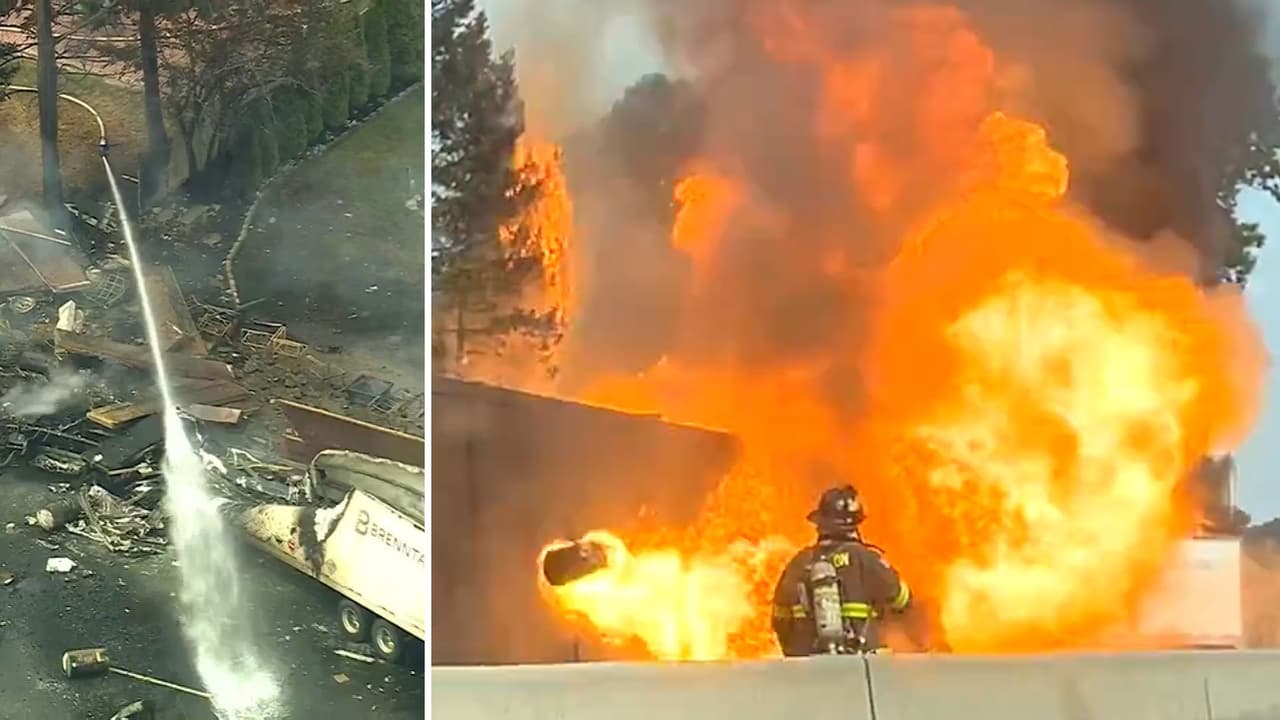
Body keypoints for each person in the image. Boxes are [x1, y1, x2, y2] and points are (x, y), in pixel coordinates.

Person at [770, 484, 923, 655]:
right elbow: (903, 600)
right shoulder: (865, 558)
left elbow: (779, 620)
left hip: (808, 670)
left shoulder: (798, 563)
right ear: (855, 525)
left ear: (820, 523)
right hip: (859, 666)